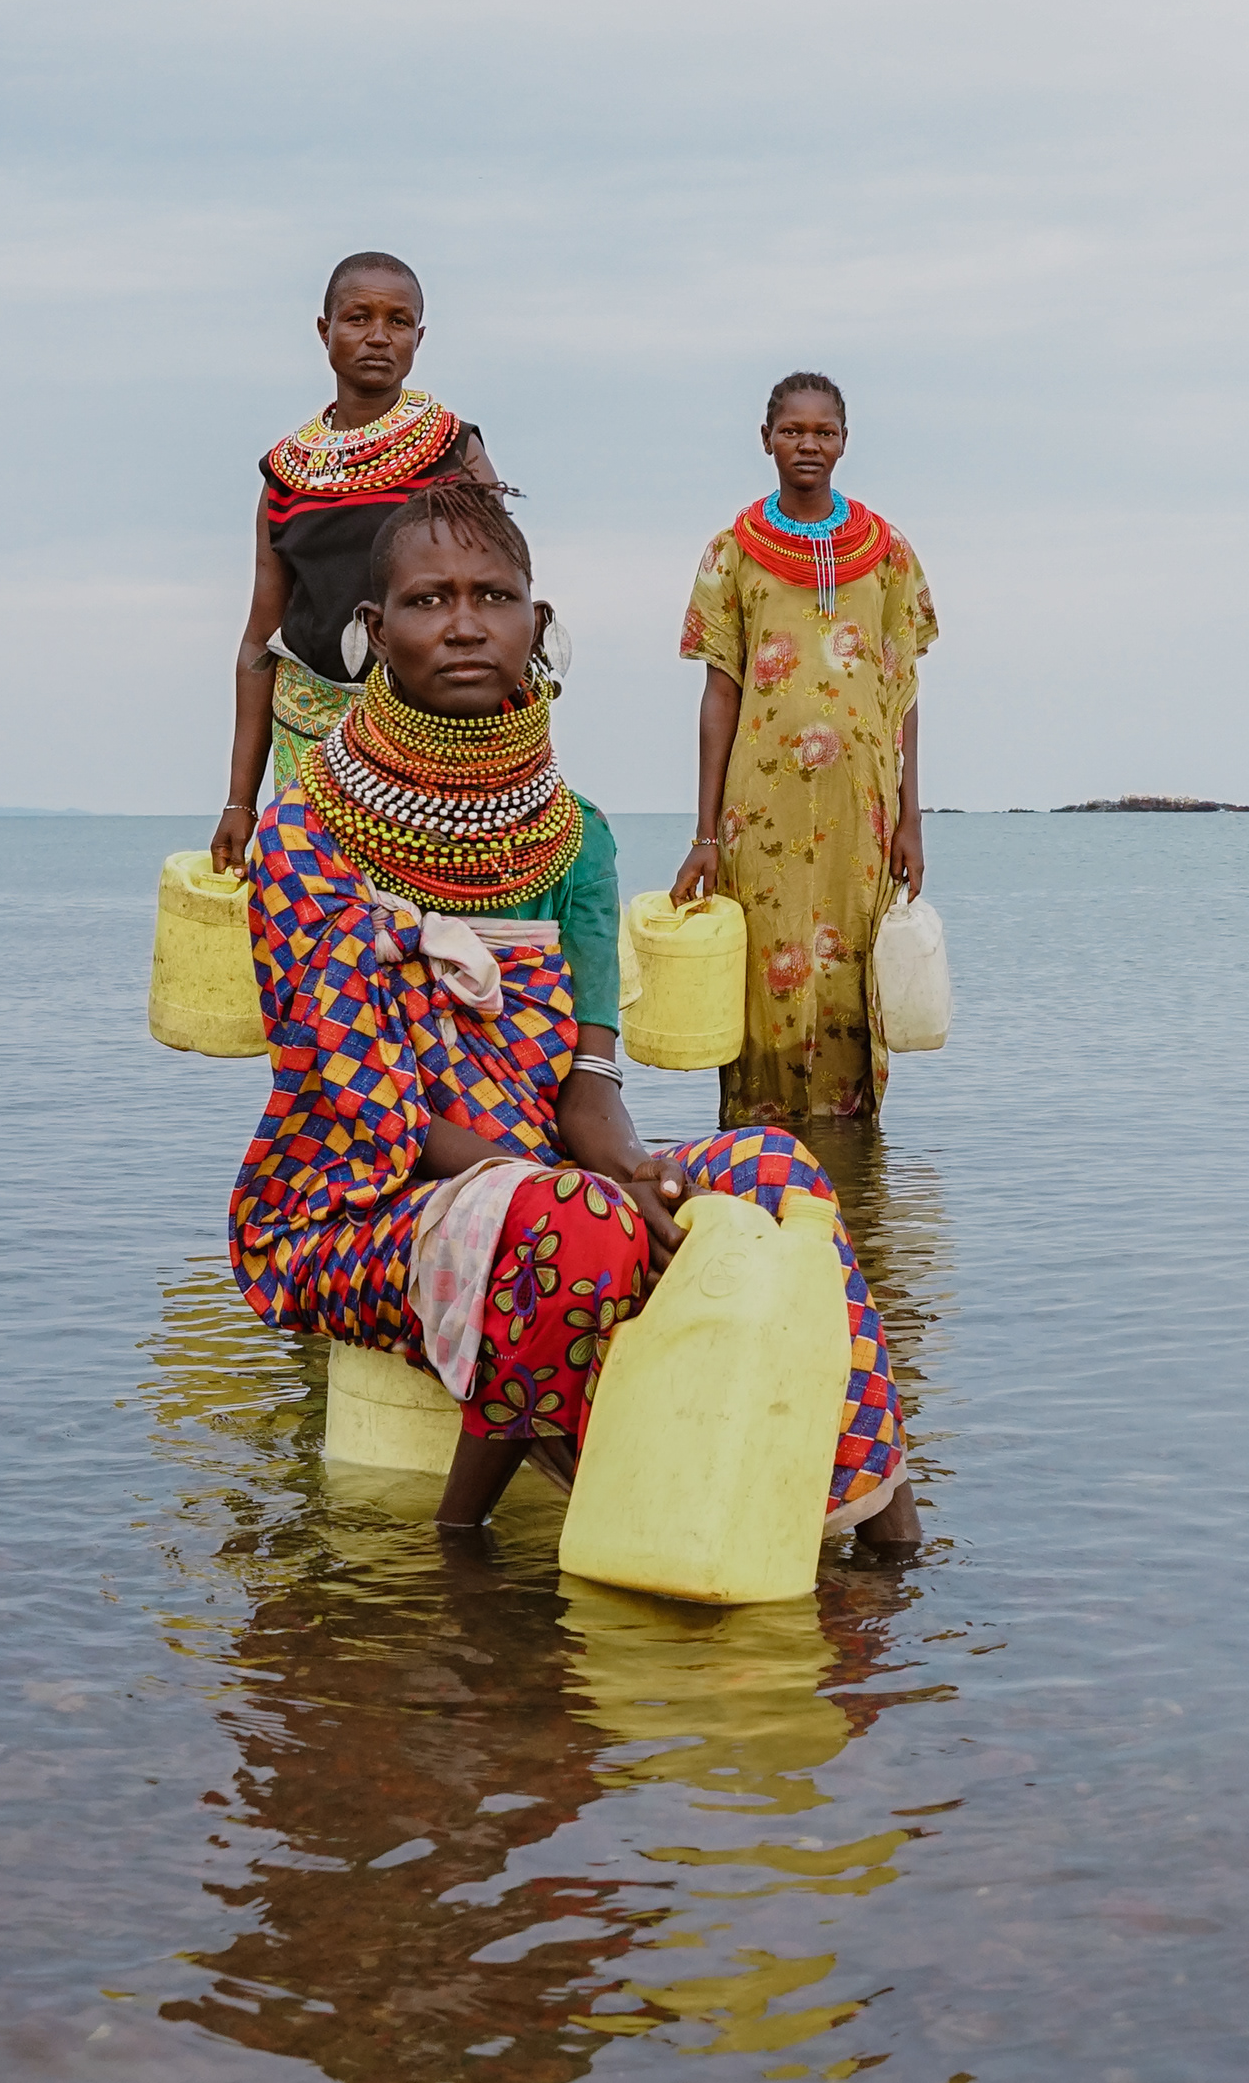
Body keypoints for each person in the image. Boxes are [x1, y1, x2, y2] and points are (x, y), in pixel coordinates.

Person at [232, 475, 918, 1547]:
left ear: (536, 624)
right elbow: (370, 1111)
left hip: (540, 1181)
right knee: (587, 1227)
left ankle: (882, 1534)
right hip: (354, 1200)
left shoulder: (574, 837)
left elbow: (587, 1088)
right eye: (427, 600)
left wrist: (634, 1165)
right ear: (372, 630)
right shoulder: (303, 836)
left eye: (493, 596)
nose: (464, 623)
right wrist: (572, 1188)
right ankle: (473, 1545)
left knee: (779, 1176)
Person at [668, 374, 937, 1126]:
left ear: (845, 443)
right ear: (766, 441)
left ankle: (855, 1181)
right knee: (763, 976)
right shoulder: (731, 553)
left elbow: (904, 690)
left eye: (823, 432)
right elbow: (720, 694)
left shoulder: (889, 554)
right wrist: (703, 834)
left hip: (863, 810)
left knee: (855, 978)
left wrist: (912, 819)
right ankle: (757, 1161)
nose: (808, 445)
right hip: (758, 811)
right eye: (793, 431)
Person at [207, 252, 499, 878]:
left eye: (398, 322)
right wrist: (239, 800)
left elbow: (501, 598)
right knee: (317, 930)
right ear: (324, 331)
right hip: (307, 745)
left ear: (419, 338)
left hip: (431, 733)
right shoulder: (286, 473)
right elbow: (260, 641)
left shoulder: (454, 448)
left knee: (431, 924)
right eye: (357, 317)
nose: (377, 336)